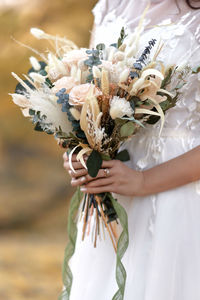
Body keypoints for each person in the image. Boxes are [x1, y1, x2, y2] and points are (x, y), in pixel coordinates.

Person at [63, 0, 200, 299]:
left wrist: (143, 181)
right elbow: (90, 97)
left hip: (180, 197)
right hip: (111, 194)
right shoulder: (111, 5)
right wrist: (81, 149)